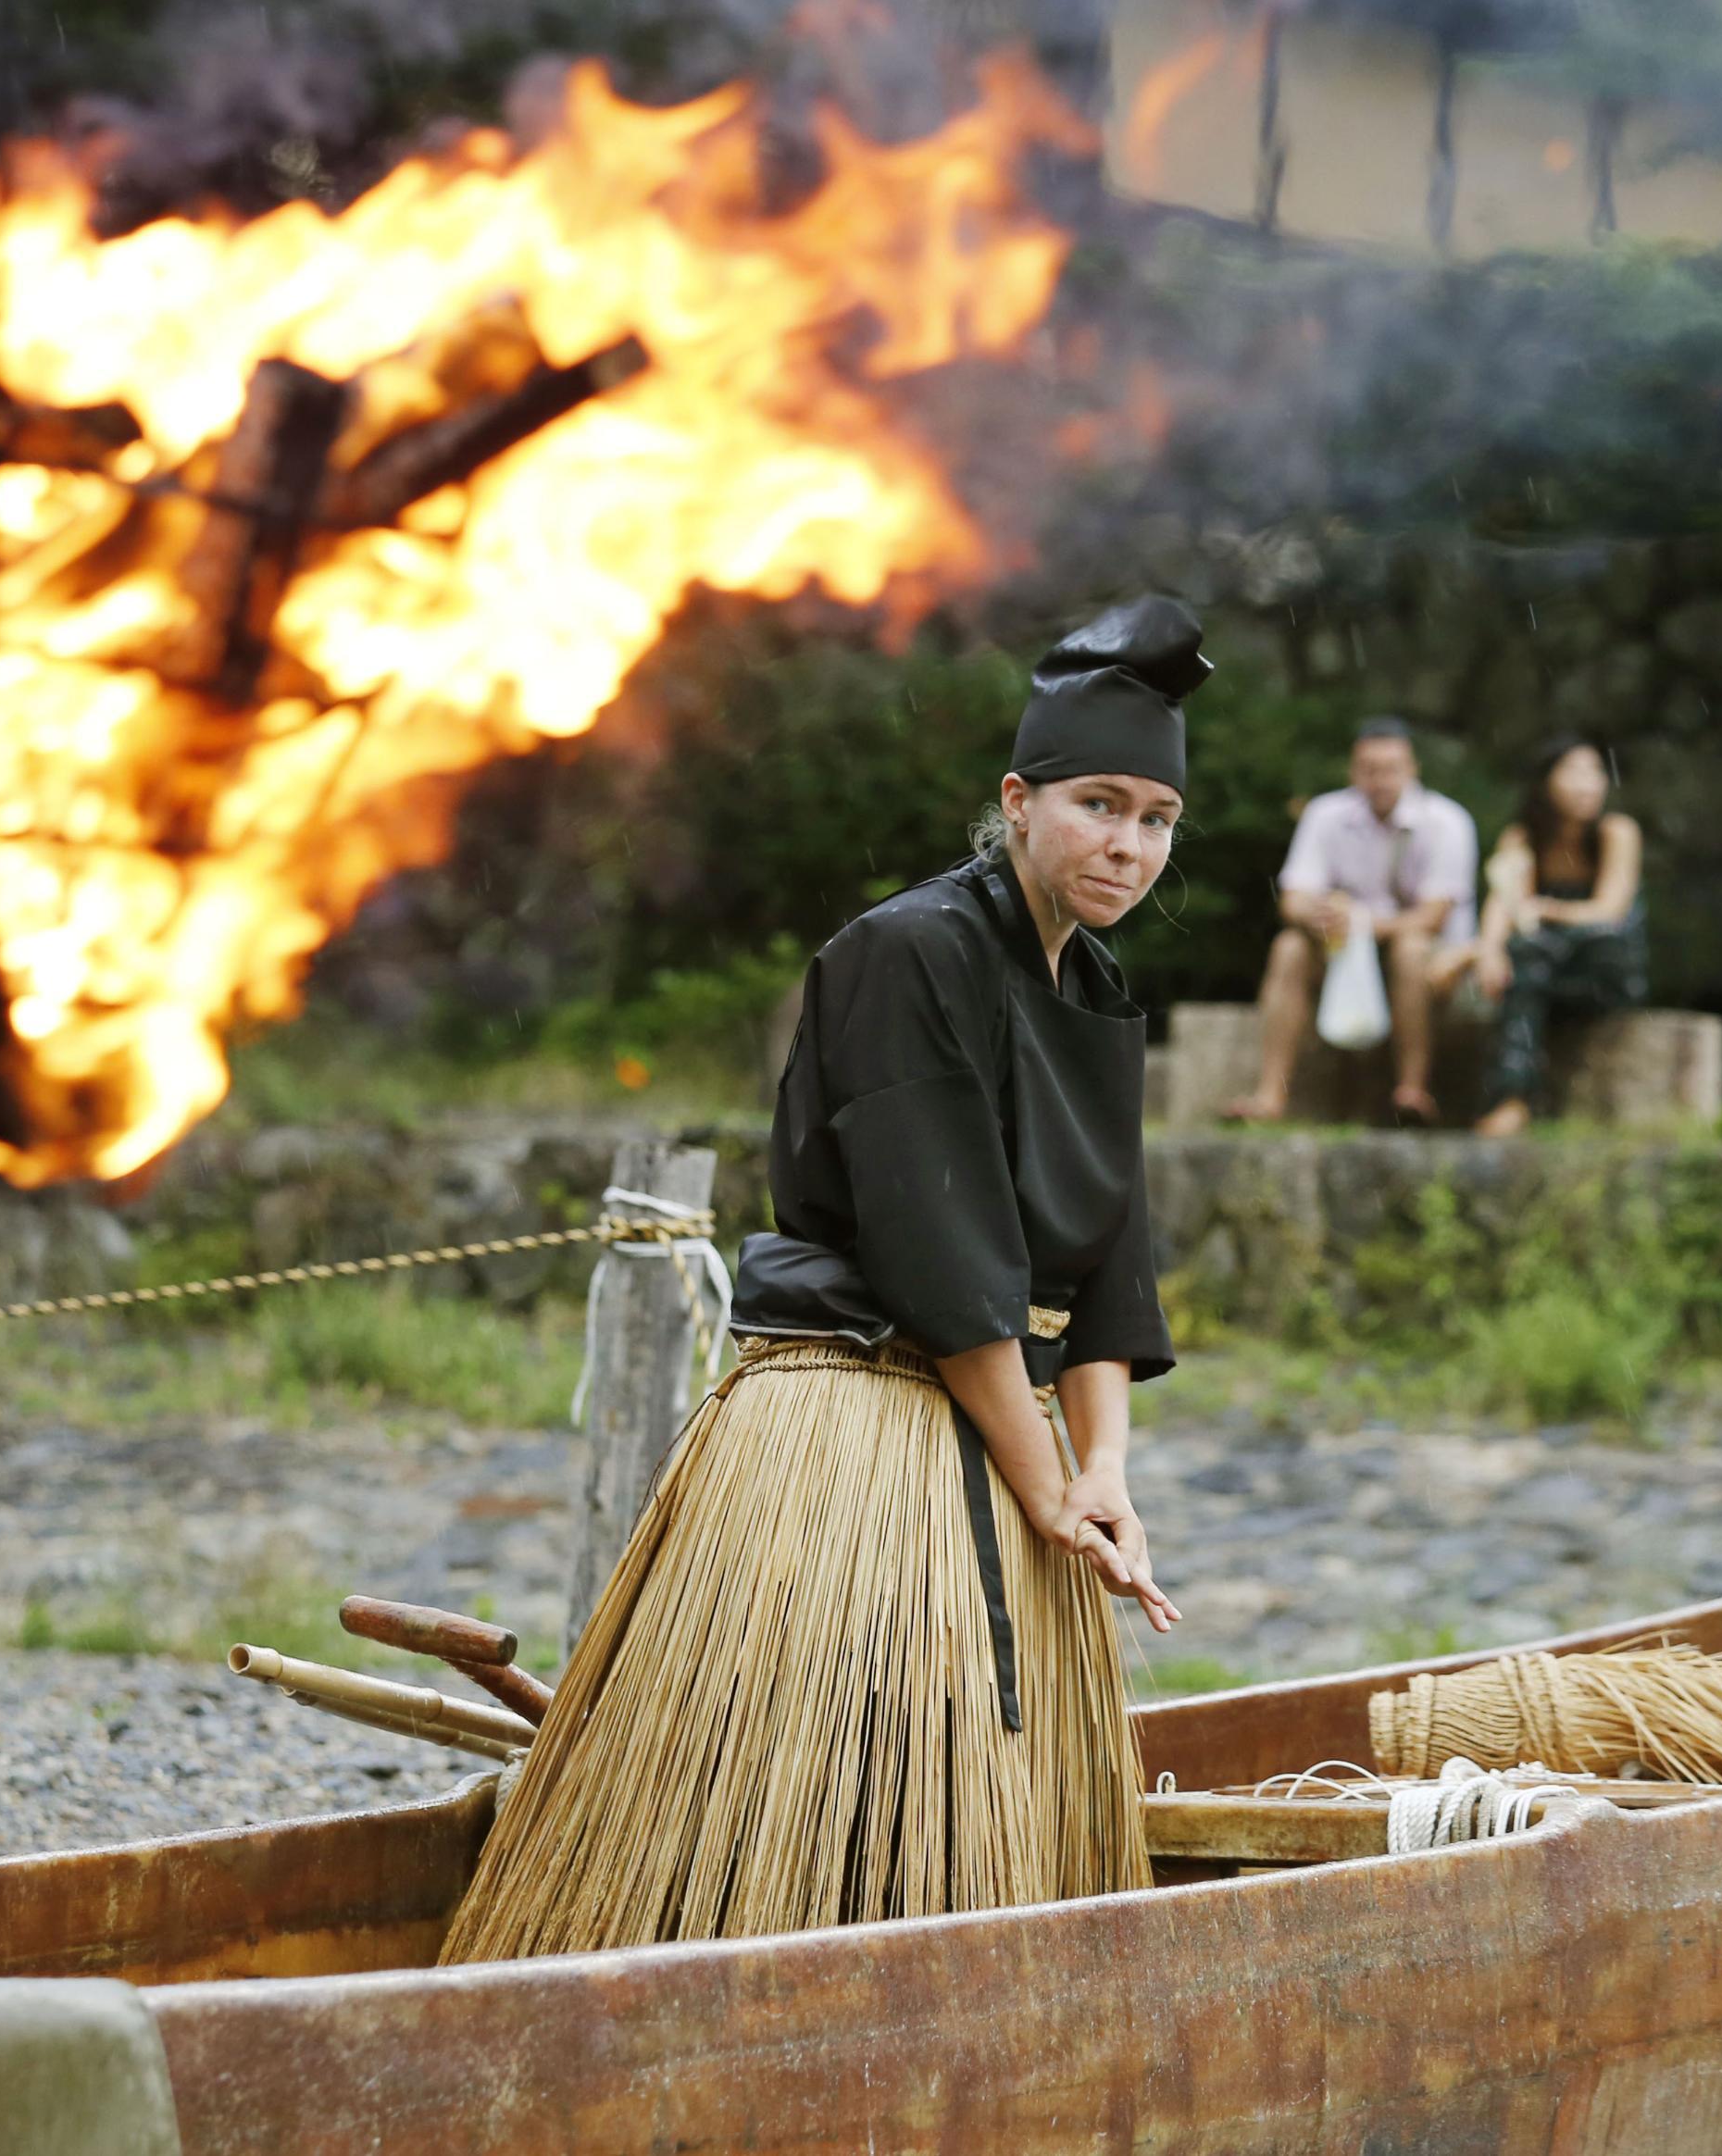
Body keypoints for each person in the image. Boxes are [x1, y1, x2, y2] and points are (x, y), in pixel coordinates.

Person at [443, 596, 1198, 1962]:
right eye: (1099, 804)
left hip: (999, 1427)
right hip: (856, 1413)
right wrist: (1043, 1484)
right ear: (1017, 802)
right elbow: (944, 1253)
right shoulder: (906, 954)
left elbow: (1110, 1253)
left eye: (1154, 818)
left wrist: (1104, 1470)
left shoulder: (1092, 985)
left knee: (985, 1806)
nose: (1127, 844)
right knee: (801, 1794)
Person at [1225, 718, 1479, 1124]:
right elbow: (1292, 901)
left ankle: (1412, 1091)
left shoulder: (1448, 822)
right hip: (1343, 952)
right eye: (1369, 769)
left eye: (1391, 768)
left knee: (1410, 950)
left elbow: (1433, 917)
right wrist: (1320, 915)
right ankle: (1270, 1096)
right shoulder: (1326, 814)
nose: (1380, 779)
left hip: (1429, 959)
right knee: (1289, 947)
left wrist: (1359, 921)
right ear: (1353, 770)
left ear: (1412, 769)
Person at [1467, 735, 1647, 1137]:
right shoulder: (1525, 837)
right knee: (1522, 963)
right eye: (1573, 771)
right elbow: (1505, 900)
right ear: (1545, 782)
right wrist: (1488, 951)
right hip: (1543, 973)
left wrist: (1546, 910)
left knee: (1568, 944)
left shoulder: (1617, 832)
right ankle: (1512, 1101)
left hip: (1604, 974)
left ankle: (1517, 1101)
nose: (1588, 783)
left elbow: (1610, 910)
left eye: (1595, 772)